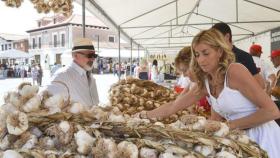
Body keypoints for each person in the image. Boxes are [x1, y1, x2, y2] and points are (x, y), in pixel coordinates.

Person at [139, 28, 280, 158]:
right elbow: (174, 106)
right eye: (197, 55)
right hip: (239, 141)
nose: (201, 60)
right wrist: (143, 116)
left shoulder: (235, 71)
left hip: (263, 137)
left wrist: (228, 126)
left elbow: (272, 111)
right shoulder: (205, 82)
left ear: (219, 51)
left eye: (206, 53)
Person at [44, 38, 99, 106]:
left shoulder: (90, 76)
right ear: (75, 56)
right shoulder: (62, 76)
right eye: (89, 56)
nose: (93, 59)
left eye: (94, 56)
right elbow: (46, 103)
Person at [212, 22, 265, 89]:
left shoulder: (244, 56)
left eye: (216, 37)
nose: (214, 41)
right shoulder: (216, 57)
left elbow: (260, 84)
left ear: (227, 37)